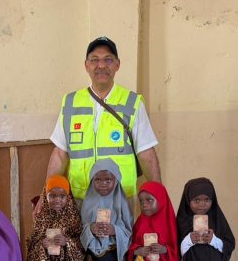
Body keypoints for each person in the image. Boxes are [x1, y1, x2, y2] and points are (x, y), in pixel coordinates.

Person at [45, 37, 161, 201]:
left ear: (117, 65)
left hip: (120, 199)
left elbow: (146, 153)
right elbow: (59, 154)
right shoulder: (71, 102)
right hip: (81, 198)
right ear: (86, 65)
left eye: (108, 60)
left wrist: (159, 194)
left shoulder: (132, 102)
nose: (101, 65)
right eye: (94, 60)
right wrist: (46, 194)